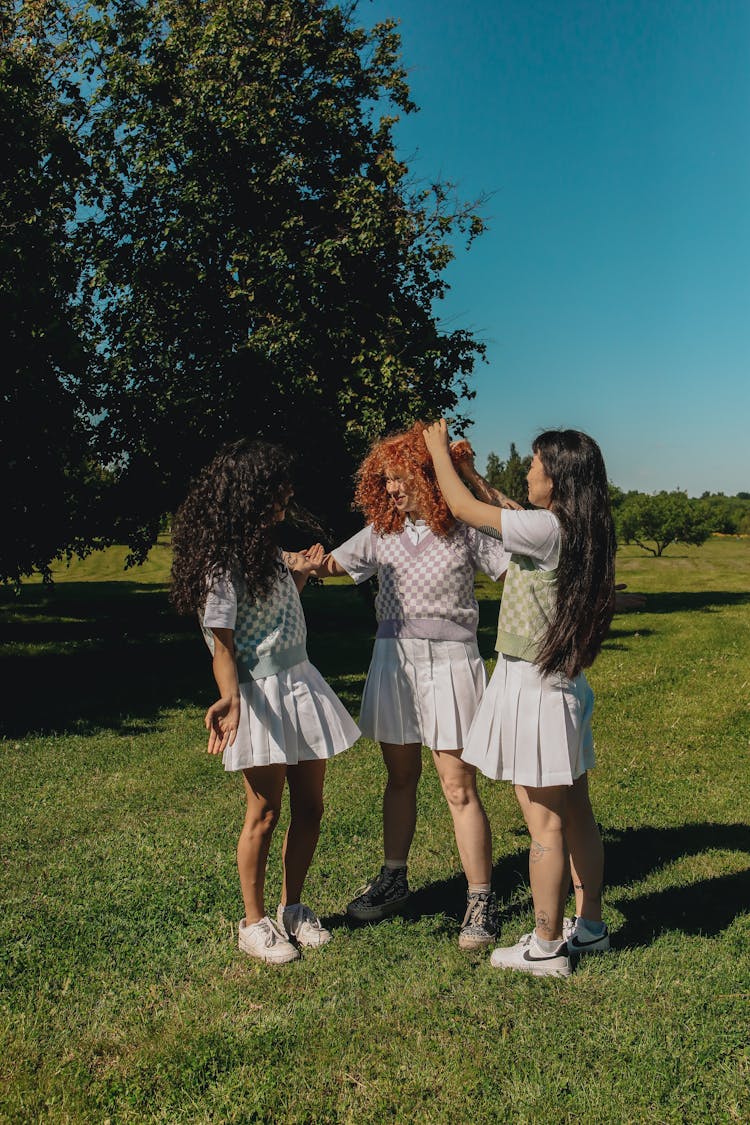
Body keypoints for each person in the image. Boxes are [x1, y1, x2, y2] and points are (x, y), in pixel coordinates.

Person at [423, 419, 616, 977]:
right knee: (576, 812)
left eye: (535, 463)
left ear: (555, 477)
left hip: (536, 691)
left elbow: (466, 511)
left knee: (545, 825)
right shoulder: (577, 527)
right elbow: (499, 503)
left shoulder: (547, 529)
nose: (527, 471)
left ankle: (546, 945)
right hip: (561, 687)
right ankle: (591, 927)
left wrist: (439, 454)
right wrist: (469, 472)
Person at [314, 422, 517, 950]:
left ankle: (480, 899)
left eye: (400, 478)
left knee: (457, 784)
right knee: (399, 777)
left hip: (451, 662)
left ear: (428, 475)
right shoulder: (381, 534)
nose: (393, 490)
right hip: (393, 661)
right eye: (385, 482)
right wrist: (288, 562)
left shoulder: (466, 528)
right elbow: (329, 563)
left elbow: (518, 567)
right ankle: (393, 878)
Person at [170, 439, 360, 965]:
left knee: (312, 806)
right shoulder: (221, 564)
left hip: (301, 683)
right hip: (261, 695)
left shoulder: (267, 552)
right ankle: (253, 923)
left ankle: (293, 909)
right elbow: (223, 646)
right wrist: (230, 699)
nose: (287, 495)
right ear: (252, 494)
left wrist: (297, 574)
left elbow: (276, 610)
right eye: (278, 487)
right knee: (266, 811)